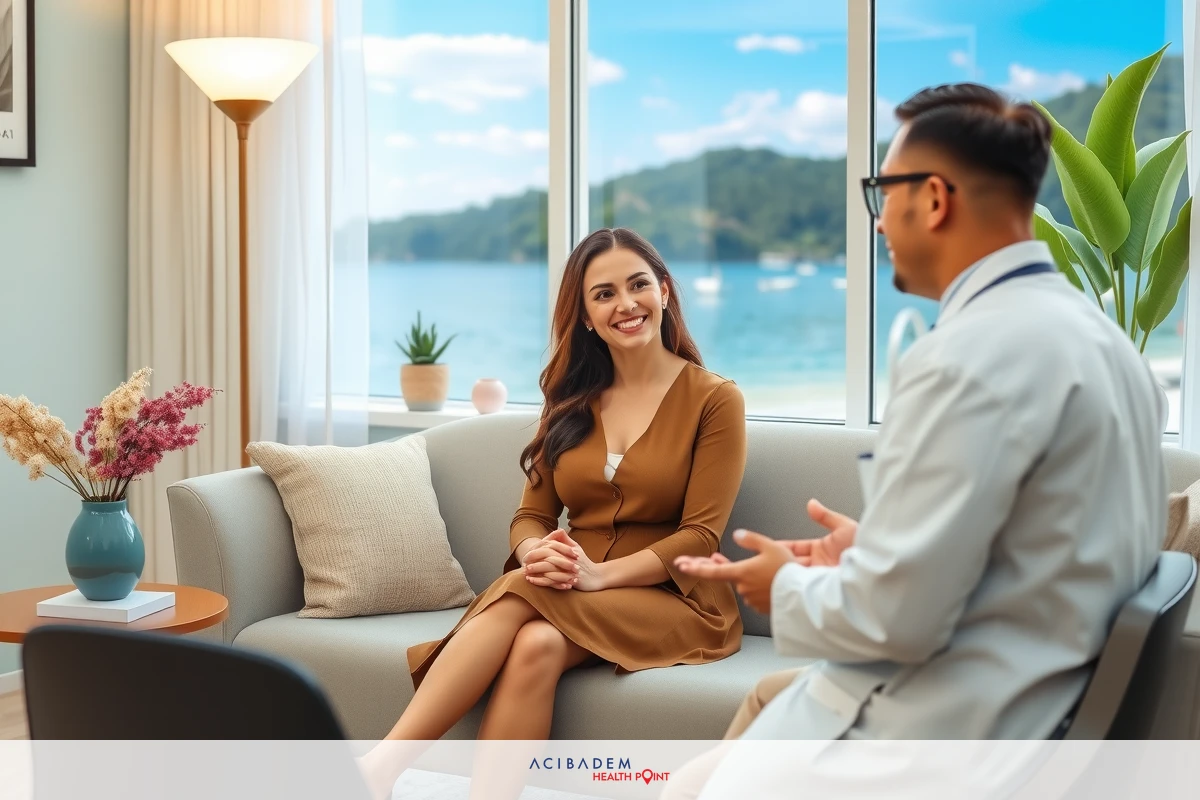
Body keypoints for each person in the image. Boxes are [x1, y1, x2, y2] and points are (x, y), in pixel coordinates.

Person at [663, 83, 1168, 798]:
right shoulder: (1107, 347)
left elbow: (896, 621)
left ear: (933, 199)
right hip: (1016, 721)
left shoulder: (964, 360)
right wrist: (880, 551)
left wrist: (784, 587)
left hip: (919, 744)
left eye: (882, 192)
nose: (877, 223)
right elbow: (1046, 553)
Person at [358, 227, 747, 799]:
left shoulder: (716, 400)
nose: (626, 304)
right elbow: (531, 515)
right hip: (573, 591)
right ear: (587, 316)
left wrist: (599, 575)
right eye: (604, 294)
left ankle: (379, 769)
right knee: (535, 643)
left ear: (665, 292)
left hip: (678, 601)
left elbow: (701, 535)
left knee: (521, 590)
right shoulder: (570, 402)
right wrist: (535, 550)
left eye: (639, 285)